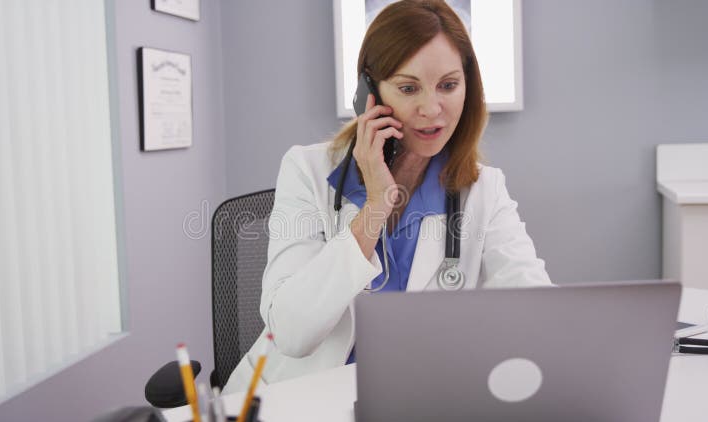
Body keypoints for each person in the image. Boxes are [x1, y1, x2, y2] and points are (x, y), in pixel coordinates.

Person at [223, 0, 551, 394]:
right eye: (409, 87)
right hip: (303, 398)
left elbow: (535, 308)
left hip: (416, 398)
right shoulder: (305, 170)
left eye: (448, 85)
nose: (432, 109)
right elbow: (293, 334)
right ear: (368, 94)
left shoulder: (483, 189)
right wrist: (375, 207)